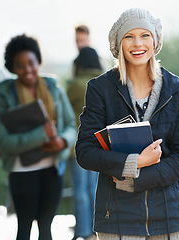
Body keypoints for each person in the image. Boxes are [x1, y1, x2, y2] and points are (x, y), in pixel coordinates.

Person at [76, 8, 179, 240]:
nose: (137, 43)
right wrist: (135, 162)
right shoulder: (100, 89)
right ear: (119, 43)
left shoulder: (178, 90)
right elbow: (85, 152)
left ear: (155, 40)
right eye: (129, 36)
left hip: (169, 215)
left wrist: (134, 178)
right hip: (117, 217)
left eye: (145, 35)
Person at [0, 34, 76, 240]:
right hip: (21, 172)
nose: (28, 69)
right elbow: (3, 141)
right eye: (20, 65)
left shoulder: (54, 89)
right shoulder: (5, 96)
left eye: (31, 62)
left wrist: (63, 141)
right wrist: (42, 134)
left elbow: (71, 125)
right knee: (24, 230)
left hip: (52, 169)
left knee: (46, 230)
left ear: (38, 61)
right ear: (12, 68)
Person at [67, 25, 102, 240]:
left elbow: (63, 111)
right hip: (99, 143)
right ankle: (96, 229)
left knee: (79, 189)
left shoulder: (76, 85)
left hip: (78, 144)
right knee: (94, 188)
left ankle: (83, 231)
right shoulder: (104, 81)